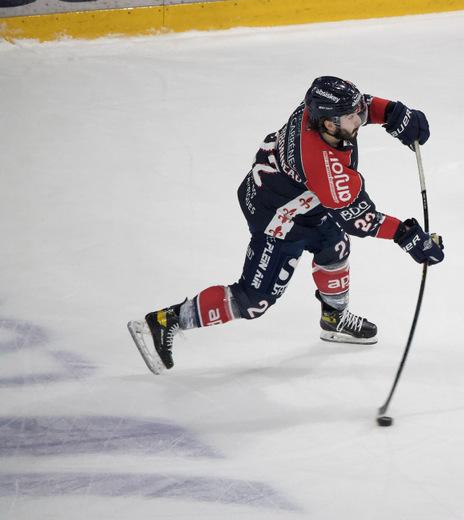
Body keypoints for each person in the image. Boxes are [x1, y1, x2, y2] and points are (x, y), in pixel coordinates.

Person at [128, 76, 445, 374]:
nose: (359, 119)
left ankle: (333, 319)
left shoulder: (319, 112)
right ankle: (163, 321)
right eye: (351, 117)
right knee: (253, 301)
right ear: (328, 123)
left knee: (333, 248)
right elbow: (360, 220)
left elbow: (362, 104)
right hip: (278, 218)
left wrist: (394, 113)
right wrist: (408, 236)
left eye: (356, 114)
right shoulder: (326, 169)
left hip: (297, 197)